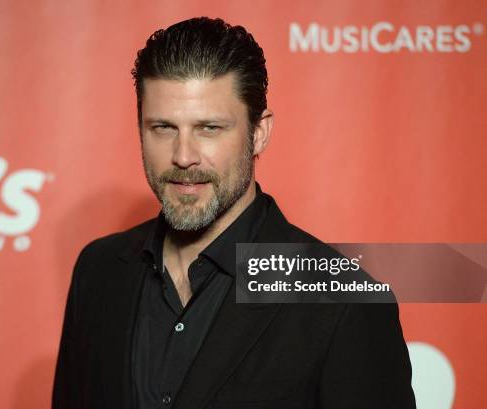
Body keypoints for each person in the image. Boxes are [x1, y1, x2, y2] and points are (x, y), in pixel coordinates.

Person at [52, 17, 416, 409]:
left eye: (209, 128)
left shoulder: (343, 303)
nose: (183, 156)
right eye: (163, 127)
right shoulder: (99, 269)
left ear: (259, 132)